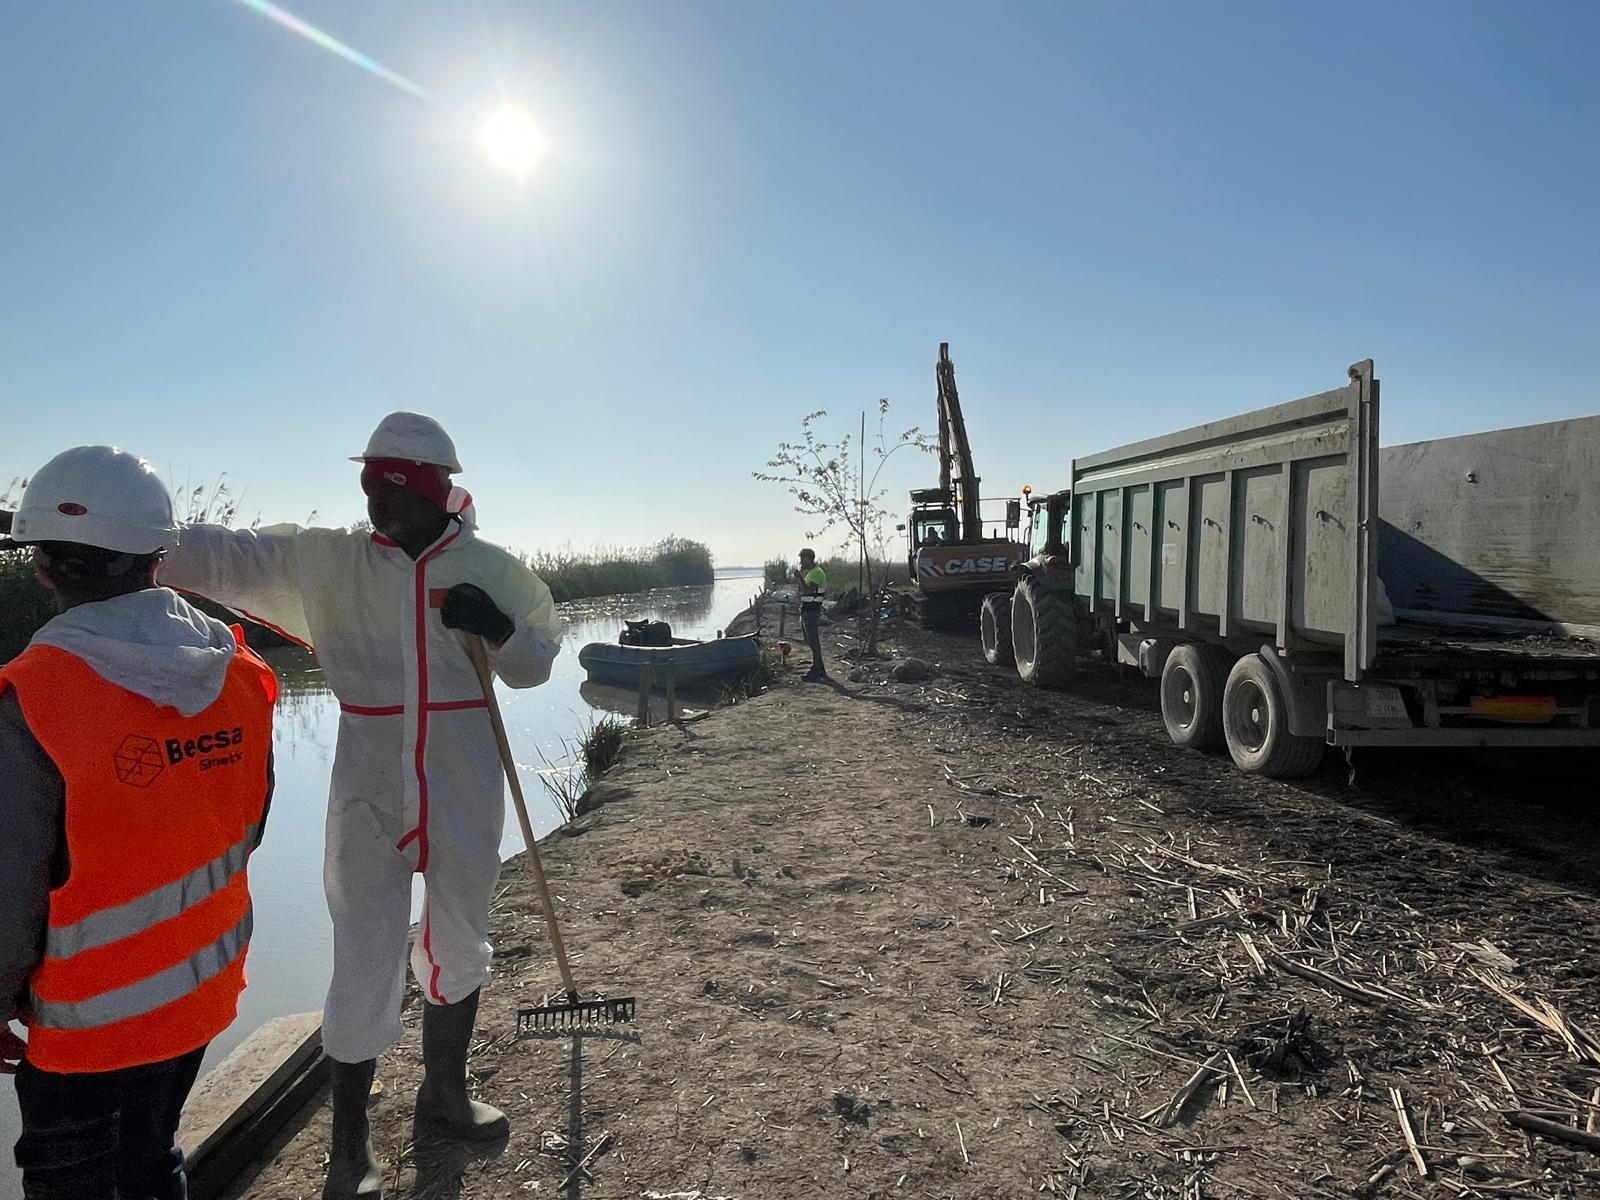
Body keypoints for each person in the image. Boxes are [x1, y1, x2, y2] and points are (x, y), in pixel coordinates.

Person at [156, 412, 563, 1199]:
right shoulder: (328, 560)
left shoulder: (494, 568)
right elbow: (231, 556)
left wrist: (502, 629)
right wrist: (134, 536)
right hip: (367, 773)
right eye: (372, 486)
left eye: (398, 489)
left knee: (460, 930)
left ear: (440, 491)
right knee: (364, 943)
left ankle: (443, 1095)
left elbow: (536, 665)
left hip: (463, 770)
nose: (381, 505)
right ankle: (350, 1144)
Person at [0, 447, 278, 1200]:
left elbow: (9, 890)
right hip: (200, 994)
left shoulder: (35, 697)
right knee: (150, 1161)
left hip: (87, 1030)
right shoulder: (242, 675)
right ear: (156, 558)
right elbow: (248, 825)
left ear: (44, 567)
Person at [795, 547, 829, 681]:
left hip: (812, 610)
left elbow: (808, 590)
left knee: (813, 640)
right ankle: (818, 666)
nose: (801, 562)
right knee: (809, 639)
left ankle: (817, 668)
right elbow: (801, 590)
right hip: (807, 609)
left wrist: (800, 577)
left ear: (808, 558)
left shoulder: (816, 573)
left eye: (802, 559)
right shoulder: (810, 573)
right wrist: (801, 577)